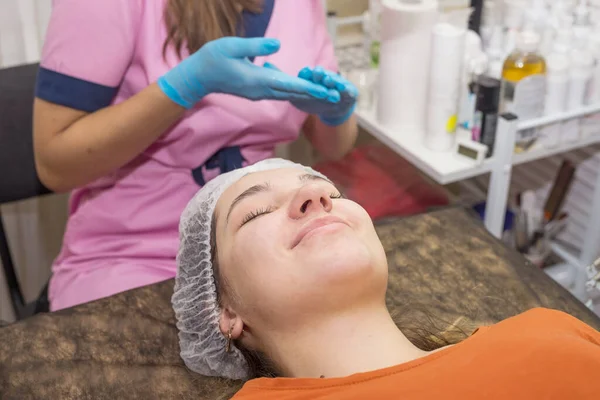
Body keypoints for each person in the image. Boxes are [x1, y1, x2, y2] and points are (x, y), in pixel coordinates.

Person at [173, 159, 600, 400]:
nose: (316, 198)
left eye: (330, 193)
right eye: (257, 212)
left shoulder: (549, 334)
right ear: (226, 314)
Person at [33, 0, 358, 311]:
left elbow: (333, 146)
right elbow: (55, 166)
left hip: (257, 245)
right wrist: (184, 87)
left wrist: (335, 114)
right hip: (133, 252)